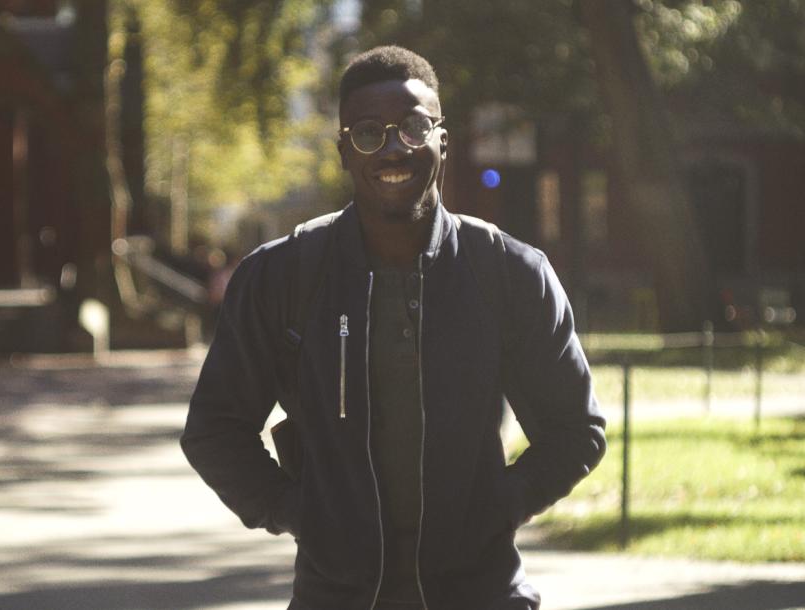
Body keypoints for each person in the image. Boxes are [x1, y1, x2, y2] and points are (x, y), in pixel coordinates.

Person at [181, 45, 606, 610]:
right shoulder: (281, 276)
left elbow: (576, 428)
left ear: (443, 141)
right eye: (367, 134)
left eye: (412, 126)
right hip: (336, 597)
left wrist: (499, 507)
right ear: (342, 151)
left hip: (482, 594)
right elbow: (214, 429)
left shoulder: (509, 271)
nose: (392, 148)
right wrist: (298, 512)